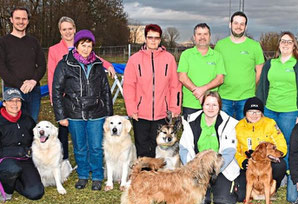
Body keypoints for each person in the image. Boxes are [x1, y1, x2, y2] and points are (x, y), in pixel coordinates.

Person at [47, 16, 116, 160]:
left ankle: (92, 160)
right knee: (65, 132)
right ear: (60, 31)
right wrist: (55, 100)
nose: (67, 32)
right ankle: (65, 159)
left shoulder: (83, 43)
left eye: (70, 29)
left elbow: (95, 59)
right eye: (64, 29)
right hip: (67, 99)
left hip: (87, 100)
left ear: (75, 29)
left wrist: (108, 65)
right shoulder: (54, 50)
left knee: (89, 135)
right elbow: (52, 76)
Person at [52, 30, 113, 191]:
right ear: (76, 46)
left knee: (95, 146)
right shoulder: (65, 64)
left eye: (89, 45)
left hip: (96, 112)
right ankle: (83, 175)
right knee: (79, 146)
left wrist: (109, 115)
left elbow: (106, 90)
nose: (86, 49)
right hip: (74, 112)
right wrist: (61, 116)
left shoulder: (98, 65)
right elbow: (56, 91)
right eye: (83, 45)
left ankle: (98, 176)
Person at [123, 24, 182, 158]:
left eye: (156, 38)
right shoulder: (134, 60)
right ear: (145, 38)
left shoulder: (169, 59)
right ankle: (144, 175)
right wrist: (132, 108)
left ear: (160, 39)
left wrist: (174, 108)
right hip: (141, 113)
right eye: (150, 37)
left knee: (161, 148)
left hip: (162, 113)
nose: (153, 41)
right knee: (142, 146)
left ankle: (158, 176)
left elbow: (175, 86)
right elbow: (129, 86)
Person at [256, 31, 298, 168]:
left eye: (289, 41)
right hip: (269, 110)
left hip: (290, 112)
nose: (285, 44)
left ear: (294, 46)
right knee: (269, 143)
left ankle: (286, 172)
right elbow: (262, 87)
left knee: (287, 144)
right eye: (283, 41)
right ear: (279, 45)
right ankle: (271, 171)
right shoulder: (270, 64)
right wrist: (259, 109)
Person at [179, 91, 239, 204]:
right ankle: (207, 191)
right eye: (207, 104)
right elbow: (183, 148)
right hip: (197, 170)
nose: (210, 108)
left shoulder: (230, 123)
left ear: (220, 107)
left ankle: (224, 187)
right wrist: (193, 168)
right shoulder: (190, 122)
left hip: (220, 169)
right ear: (202, 105)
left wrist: (214, 171)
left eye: (214, 105)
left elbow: (229, 152)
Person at [234, 97, 287, 201]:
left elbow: (282, 144)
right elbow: (234, 149)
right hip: (249, 165)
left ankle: (271, 187)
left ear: (262, 113)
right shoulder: (238, 127)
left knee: (281, 165)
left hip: (266, 163)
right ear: (245, 113)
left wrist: (269, 156)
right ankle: (254, 189)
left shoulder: (270, 124)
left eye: (257, 112)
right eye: (250, 111)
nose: (254, 115)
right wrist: (242, 161)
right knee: (241, 196)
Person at [215, 11, 264, 120]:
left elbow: (259, 70)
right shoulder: (220, 45)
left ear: (245, 26)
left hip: (246, 97)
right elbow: (215, 70)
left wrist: (249, 86)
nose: (239, 26)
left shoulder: (254, 46)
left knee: (244, 133)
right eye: (236, 23)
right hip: (224, 97)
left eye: (242, 24)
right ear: (230, 24)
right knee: (224, 132)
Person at [0, 7, 46, 122]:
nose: (21, 21)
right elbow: (2, 68)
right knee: (15, 126)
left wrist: (33, 81)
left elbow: (42, 65)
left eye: (24, 19)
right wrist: (20, 85)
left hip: (33, 90)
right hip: (12, 91)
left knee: (31, 124)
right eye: (17, 18)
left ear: (28, 21)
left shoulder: (34, 42)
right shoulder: (3, 42)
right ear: (11, 20)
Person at [0, 88, 44, 201]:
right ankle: (7, 190)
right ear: (4, 103)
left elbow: (36, 138)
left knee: (36, 193)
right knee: (12, 168)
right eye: (10, 101)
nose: (14, 104)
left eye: (18, 100)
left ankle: (13, 181)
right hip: (5, 159)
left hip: (25, 159)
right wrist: (20, 151)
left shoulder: (26, 118)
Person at [178, 23, 225, 119]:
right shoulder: (186, 54)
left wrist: (202, 91)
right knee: (191, 133)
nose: (202, 37)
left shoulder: (217, 56)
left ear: (210, 36)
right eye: (199, 34)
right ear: (194, 37)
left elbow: (220, 79)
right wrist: (197, 92)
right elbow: (182, 76)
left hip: (211, 106)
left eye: (205, 34)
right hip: (190, 104)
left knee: (211, 133)